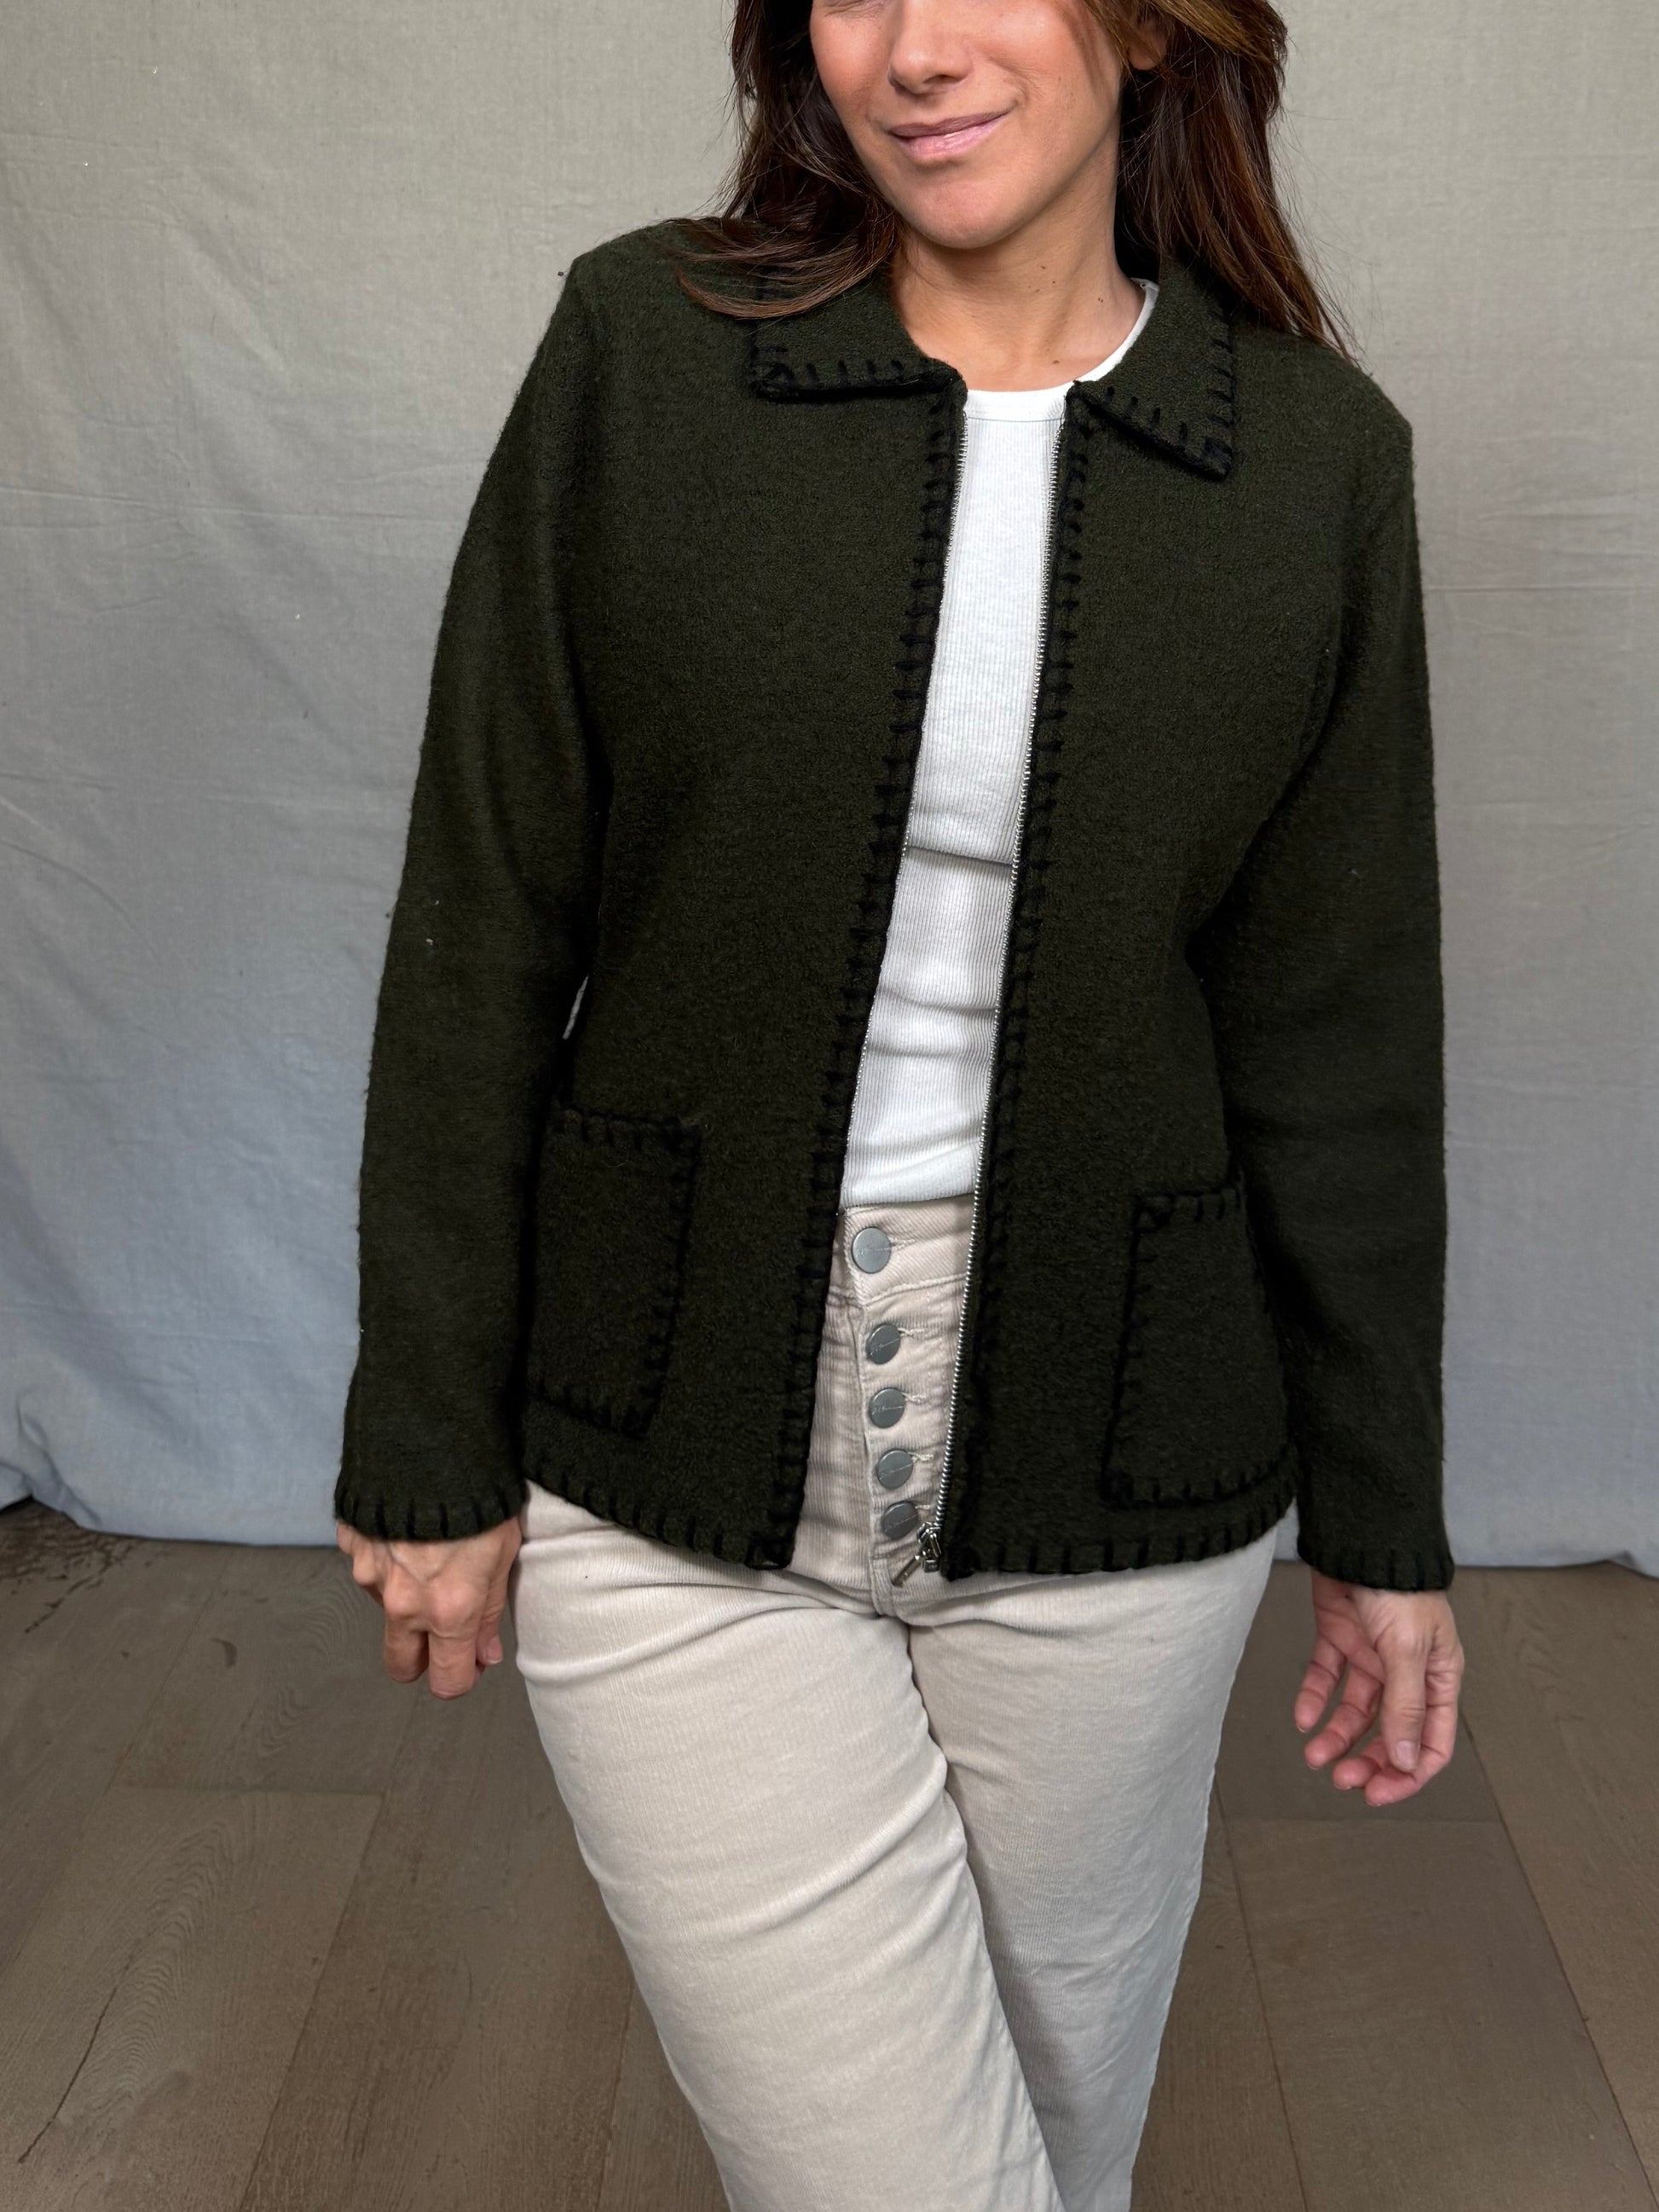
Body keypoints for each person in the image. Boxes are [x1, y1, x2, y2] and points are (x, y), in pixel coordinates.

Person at [335, 1, 1467, 2205]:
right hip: (669, 1435)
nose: (916, 48)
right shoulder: (647, 354)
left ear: (1148, 27)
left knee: (1057, 2152)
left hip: (1117, 1462)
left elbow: (1338, 1033)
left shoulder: (1314, 465)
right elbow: (483, 915)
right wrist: (424, 1422)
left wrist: (1381, 1521)